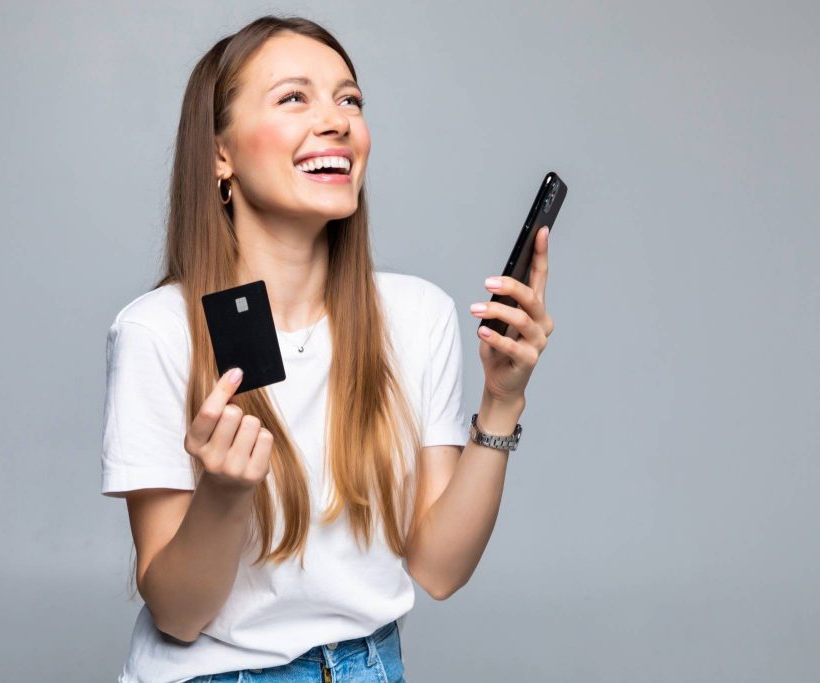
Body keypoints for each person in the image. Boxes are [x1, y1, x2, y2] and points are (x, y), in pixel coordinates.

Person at [100, 14, 554, 683]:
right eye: (293, 97)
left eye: (350, 99)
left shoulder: (413, 314)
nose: (337, 120)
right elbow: (178, 613)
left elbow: (439, 569)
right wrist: (224, 494)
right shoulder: (159, 331)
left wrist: (502, 400)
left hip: (373, 665)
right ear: (219, 153)